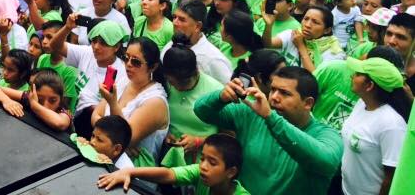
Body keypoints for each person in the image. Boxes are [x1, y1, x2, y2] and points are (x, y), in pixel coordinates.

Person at [193, 66, 344, 195]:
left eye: (285, 93)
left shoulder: (327, 135)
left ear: (308, 103)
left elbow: (326, 162)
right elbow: (201, 110)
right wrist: (220, 96)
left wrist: (271, 118)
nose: (274, 98)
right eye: (273, 90)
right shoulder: (252, 114)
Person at [92, 37, 170, 178]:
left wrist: (112, 103)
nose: (128, 64)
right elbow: (95, 115)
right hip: (104, 160)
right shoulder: (123, 81)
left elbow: (124, 137)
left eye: (136, 62)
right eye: (126, 58)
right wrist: (118, 144)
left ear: (152, 67)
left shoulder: (155, 102)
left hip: (135, 175)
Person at [48, 16, 129, 138]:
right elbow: (55, 45)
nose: (96, 47)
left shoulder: (117, 72)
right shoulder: (87, 53)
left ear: (116, 47)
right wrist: (67, 27)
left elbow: (105, 109)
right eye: (94, 41)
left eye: (103, 43)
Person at [97, 133, 251, 195]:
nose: (203, 166)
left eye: (212, 162)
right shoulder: (201, 173)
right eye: (202, 158)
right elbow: (168, 174)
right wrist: (129, 172)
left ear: (231, 172)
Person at [340, 57, 408, 195]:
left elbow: (391, 176)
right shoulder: (361, 104)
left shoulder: (392, 125)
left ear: (370, 86)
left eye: (358, 74)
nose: (353, 75)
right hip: (345, 189)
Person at [161, 40, 223, 160]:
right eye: (172, 82)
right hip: (170, 159)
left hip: (203, 161)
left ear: (195, 72)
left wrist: (199, 141)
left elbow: (229, 135)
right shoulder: (164, 87)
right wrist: (166, 135)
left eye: (184, 83)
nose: (177, 88)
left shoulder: (216, 91)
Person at [163, 0, 232, 84]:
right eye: (174, 17)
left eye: (182, 19)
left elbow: (228, 92)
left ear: (198, 26)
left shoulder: (213, 59)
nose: (174, 23)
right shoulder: (169, 46)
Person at [0, 68, 73, 132]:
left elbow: (60, 123)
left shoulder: (63, 112)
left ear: (61, 99)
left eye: (52, 100)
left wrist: (35, 105)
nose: (46, 106)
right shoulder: (30, 97)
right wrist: (7, 101)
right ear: (32, 93)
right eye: (40, 99)